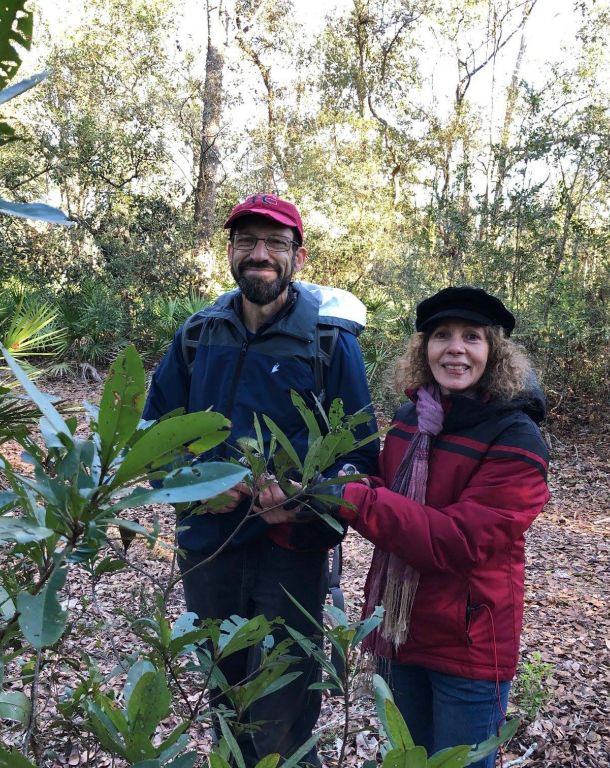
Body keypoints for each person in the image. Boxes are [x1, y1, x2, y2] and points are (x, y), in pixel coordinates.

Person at [142, 193, 378, 766]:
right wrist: (196, 481)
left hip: (289, 553)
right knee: (224, 695)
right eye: (247, 241)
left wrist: (300, 499)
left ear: (298, 256)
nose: (260, 254)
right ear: (230, 251)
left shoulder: (328, 342)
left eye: (275, 243)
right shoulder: (198, 336)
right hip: (209, 550)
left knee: (283, 707)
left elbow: (361, 461)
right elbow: (151, 436)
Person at [328, 287, 549, 764]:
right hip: (400, 629)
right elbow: (385, 495)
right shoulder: (411, 419)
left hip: (467, 643)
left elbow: (456, 540)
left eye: (472, 336)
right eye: (441, 335)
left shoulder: (517, 437)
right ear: (423, 348)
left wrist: (352, 497)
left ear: (493, 352)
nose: (455, 348)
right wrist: (344, 480)